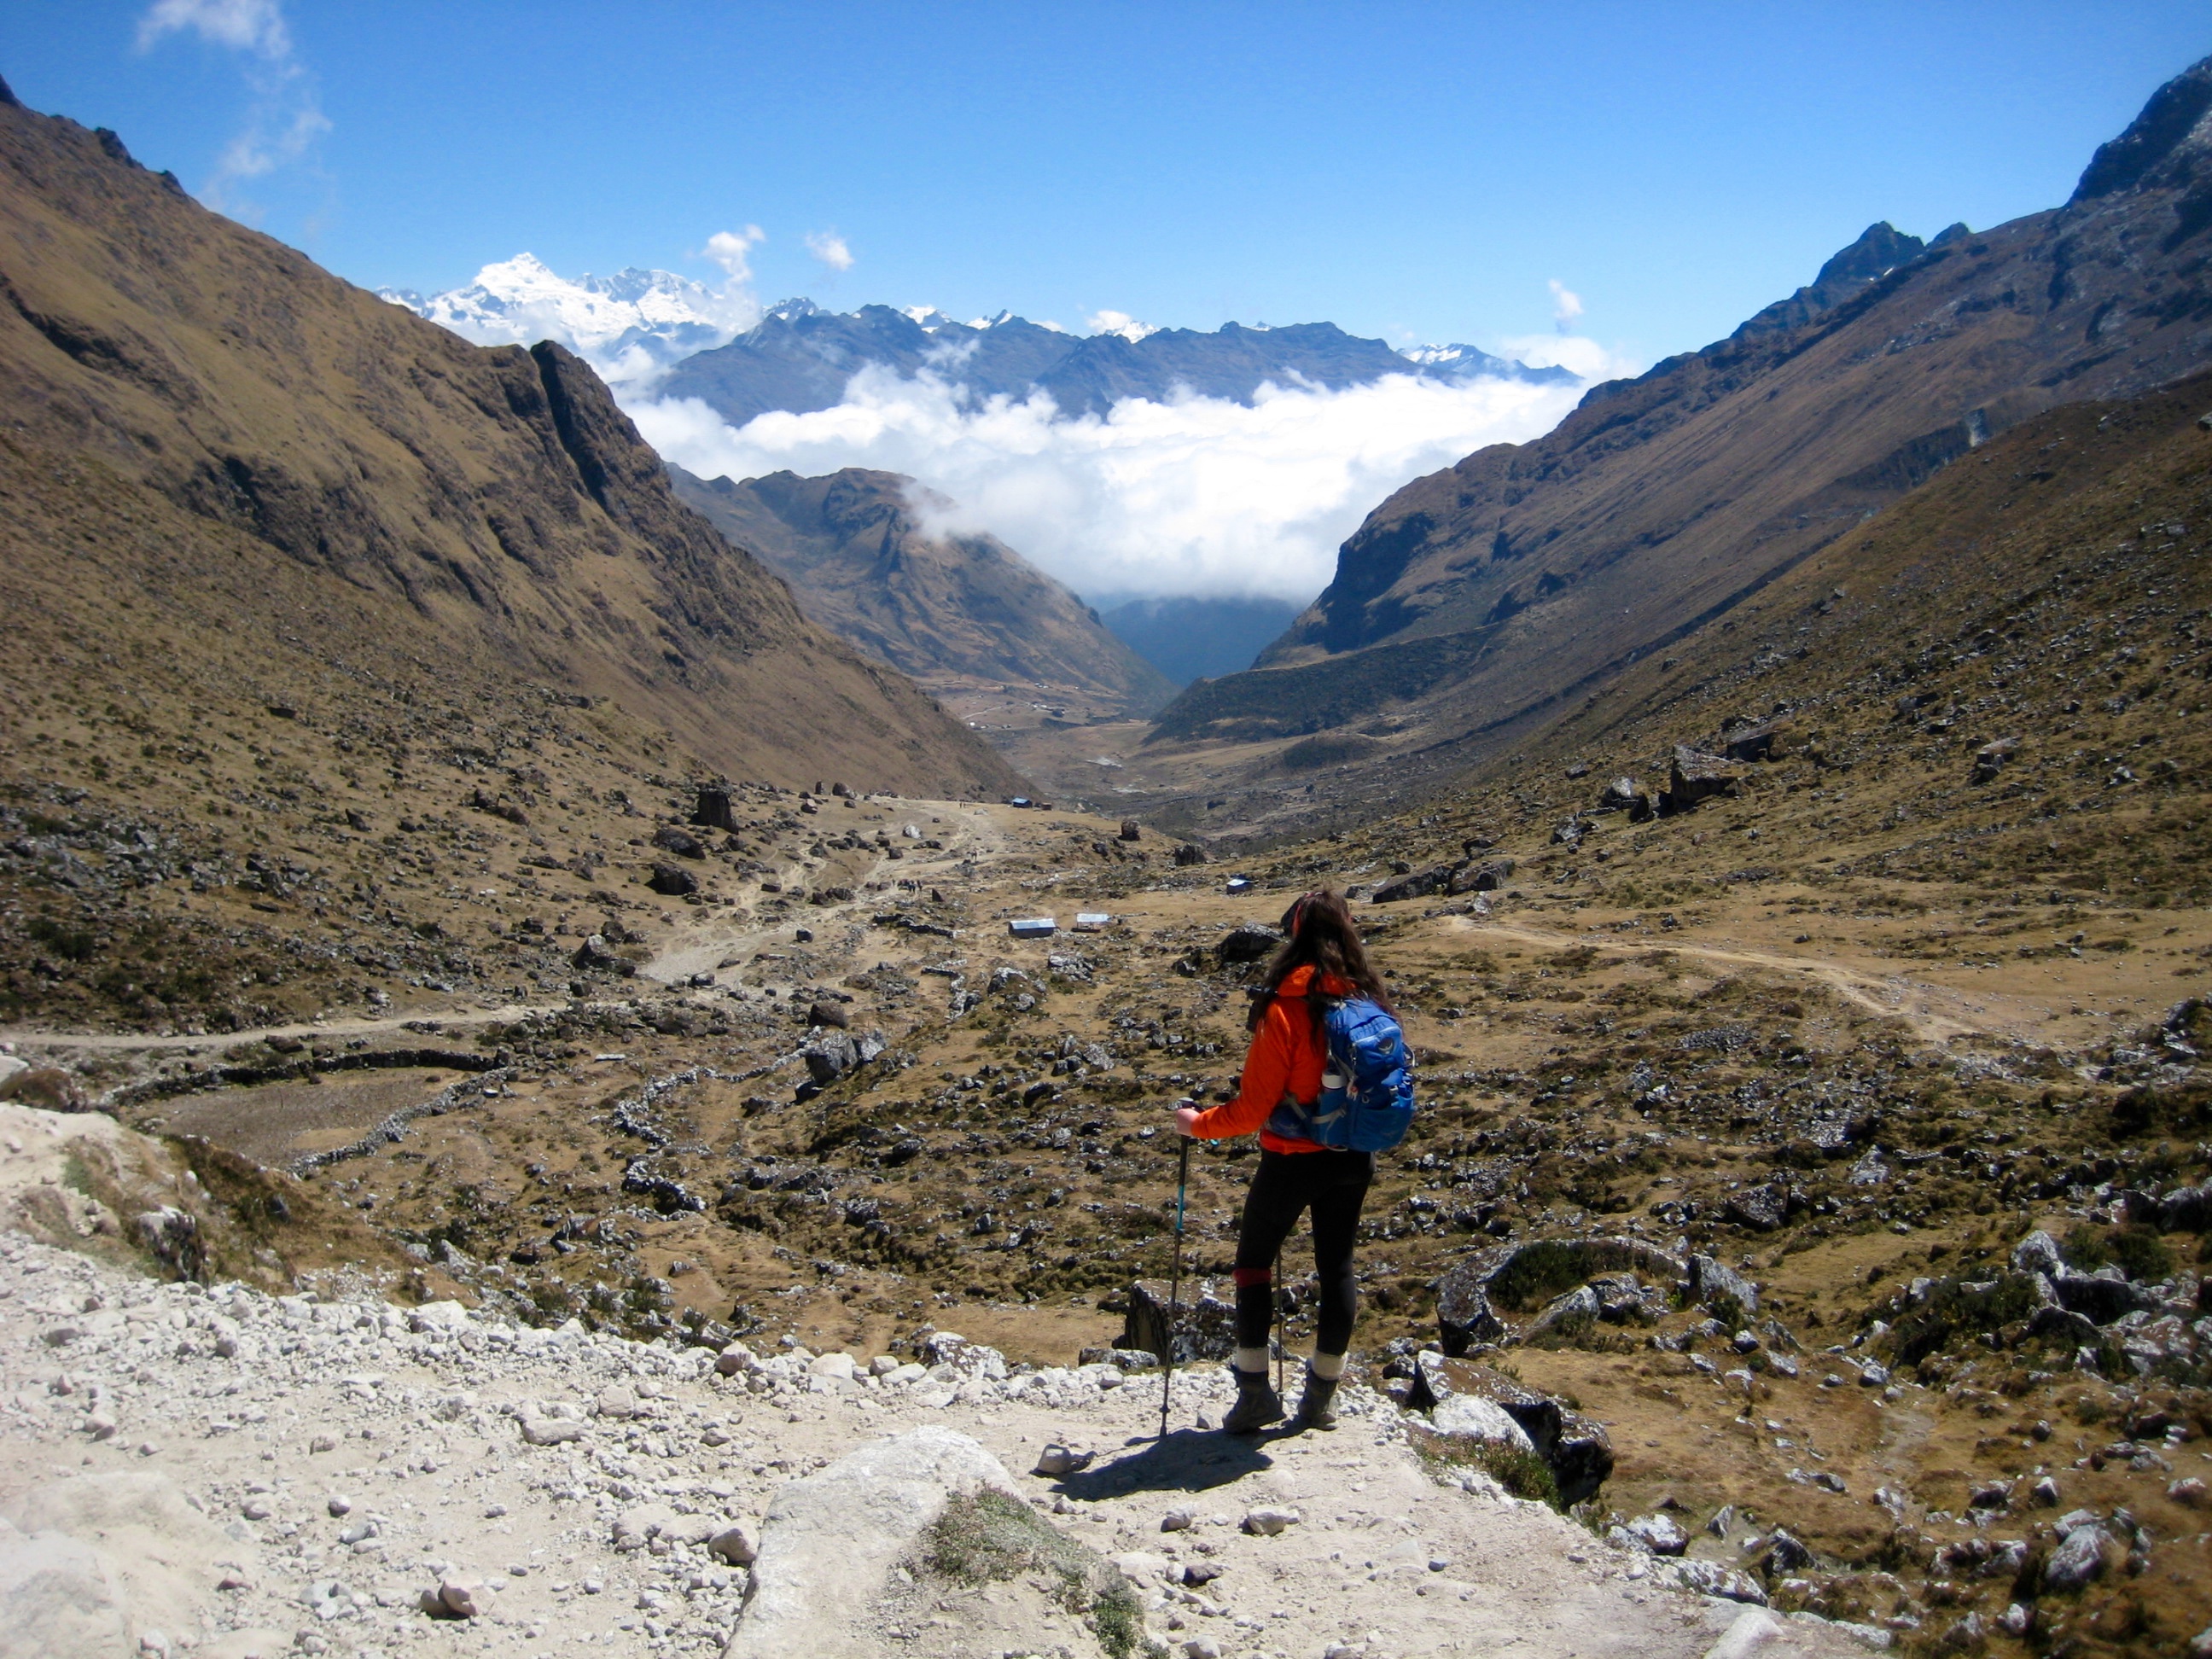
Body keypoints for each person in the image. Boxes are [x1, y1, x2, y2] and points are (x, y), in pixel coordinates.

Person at [1173, 888, 1395, 1433]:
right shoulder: (1369, 1000)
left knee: (1253, 1264)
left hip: (1290, 1161)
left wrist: (1197, 1123)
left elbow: (1251, 1110)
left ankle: (1255, 1395)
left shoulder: (1286, 1010)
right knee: (1337, 1268)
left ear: (1294, 935)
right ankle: (1321, 1398)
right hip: (1352, 1157)